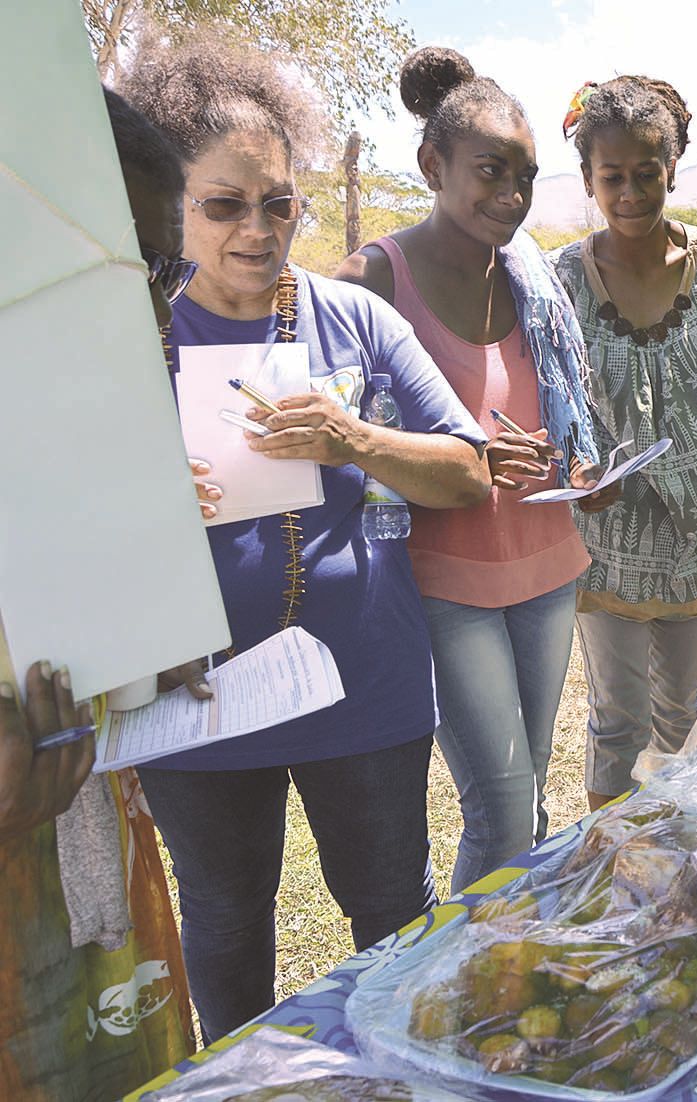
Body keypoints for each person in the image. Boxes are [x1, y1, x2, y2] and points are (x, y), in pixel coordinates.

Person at [122, 40, 493, 1042]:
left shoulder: (357, 321)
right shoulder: (124, 338)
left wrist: (353, 438)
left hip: (360, 693)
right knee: (228, 925)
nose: (257, 229)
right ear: (173, 207)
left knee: (391, 919)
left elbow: (468, 469)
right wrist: (146, 507)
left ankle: (409, 1068)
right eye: (223, 204)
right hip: (195, 705)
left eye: (278, 203)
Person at [337, 48, 615, 894]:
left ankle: (503, 965)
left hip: (545, 564)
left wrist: (579, 463)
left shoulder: (535, 281)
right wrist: (464, 463)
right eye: (490, 171)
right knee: (498, 805)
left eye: (525, 178)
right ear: (432, 165)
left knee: (529, 804)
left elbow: (558, 412)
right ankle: (465, 993)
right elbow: (338, 442)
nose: (512, 196)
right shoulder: (373, 281)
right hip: (444, 580)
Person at [0, 89, 195, 1102]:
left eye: (168, 270)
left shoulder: (82, 429)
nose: (160, 311)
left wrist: (146, 647)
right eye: (128, 269)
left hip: (107, 931)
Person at [555, 76, 697, 809]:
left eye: (648, 173)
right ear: (587, 178)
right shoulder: (562, 281)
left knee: (680, 707)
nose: (632, 193)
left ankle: (670, 852)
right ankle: (609, 869)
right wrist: (582, 467)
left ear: (672, 167)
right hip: (609, 531)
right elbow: (559, 408)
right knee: (618, 719)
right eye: (612, 177)